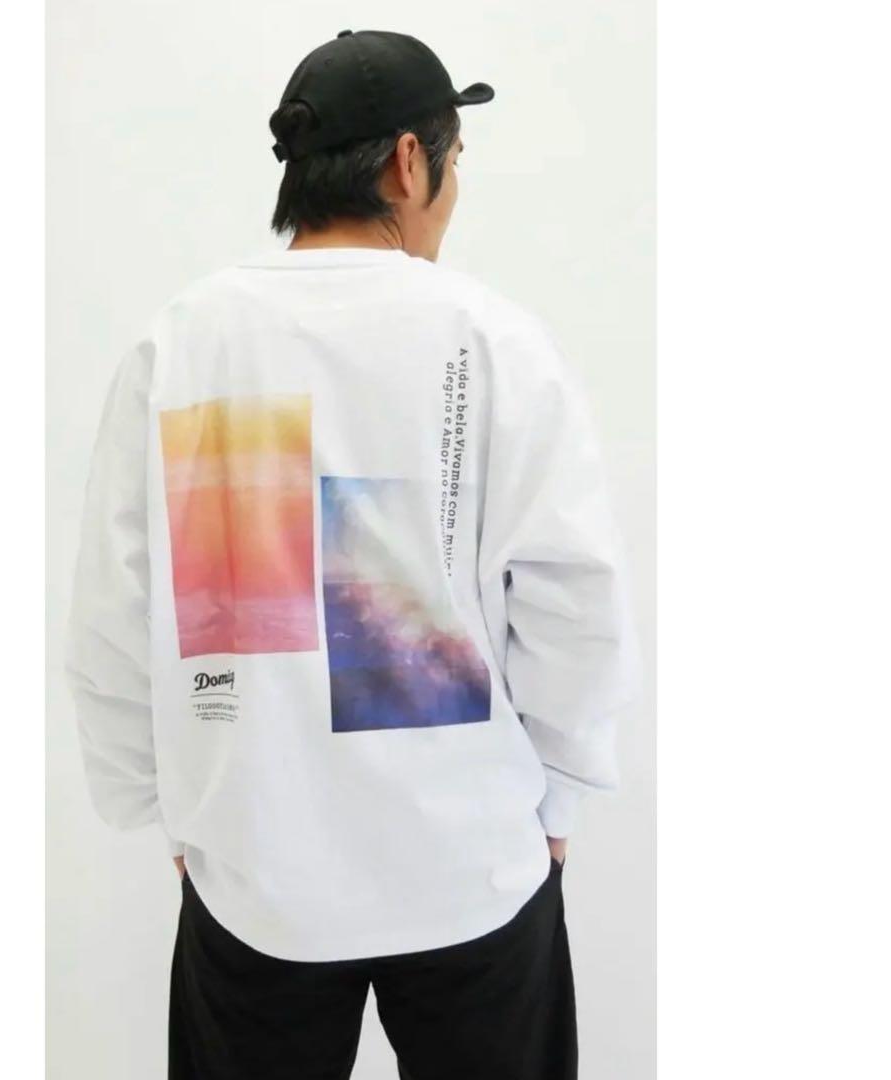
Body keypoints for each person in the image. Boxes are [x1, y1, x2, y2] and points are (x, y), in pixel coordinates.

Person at [65, 28, 641, 1080]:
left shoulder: (180, 342)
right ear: (409, 163)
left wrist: (167, 812)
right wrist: (559, 794)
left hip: (256, 874)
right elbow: (574, 598)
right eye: (456, 158)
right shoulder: (493, 339)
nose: (454, 188)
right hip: (471, 867)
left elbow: (113, 614)